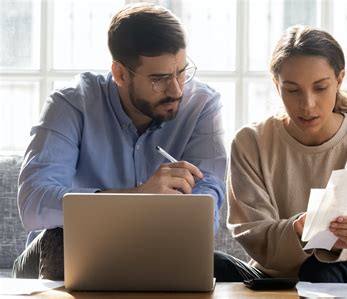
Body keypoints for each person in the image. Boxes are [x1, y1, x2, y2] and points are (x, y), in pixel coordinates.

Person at [13, 3, 233, 280]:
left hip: (153, 248)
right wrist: (138, 196)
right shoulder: (71, 104)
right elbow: (34, 202)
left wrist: (187, 222)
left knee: (227, 270)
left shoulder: (202, 105)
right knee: (61, 240)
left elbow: (207, 194)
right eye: (159, 79)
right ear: (119, 74)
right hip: (58, 253)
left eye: (181, 72)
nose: (176, 89)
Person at [226, 25, 347, 283]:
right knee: (210, 264)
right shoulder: (250, 142)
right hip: (272, 275)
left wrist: (346, 239)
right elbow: (252, 232)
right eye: (292, 90)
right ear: (276, 85)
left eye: (320, 88)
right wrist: (297, 229)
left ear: (339, 80)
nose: (307, 105)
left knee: (319, 271)